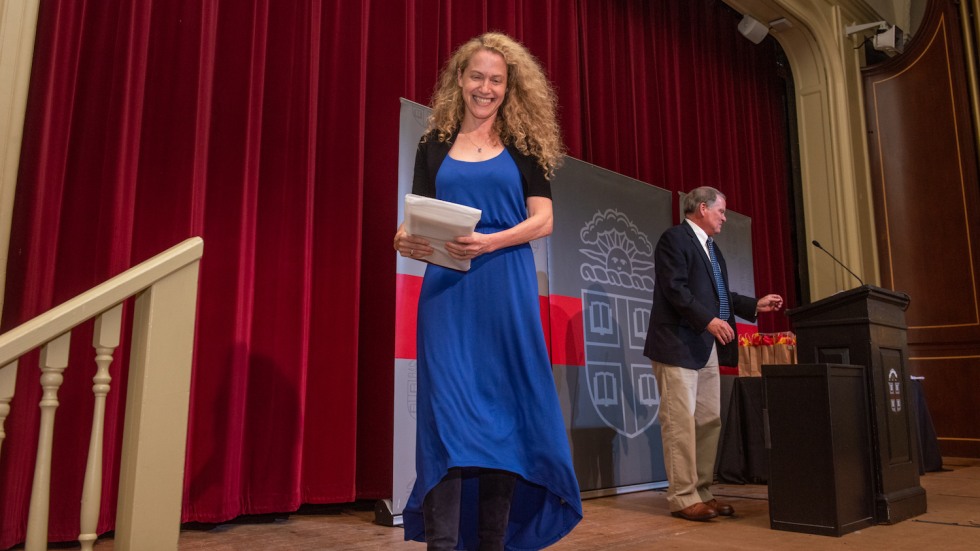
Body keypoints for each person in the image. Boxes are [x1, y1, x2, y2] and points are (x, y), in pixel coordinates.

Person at [392, 32, 582, 550]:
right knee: (447, 421)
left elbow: (542, 221)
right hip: (446, 295)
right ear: (460, 79)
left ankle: (493, 543)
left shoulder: (525, 146)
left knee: (503, 420)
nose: (485, 87)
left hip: (506, 290)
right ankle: (443, 544)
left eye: (496, 80)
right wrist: (406, 240)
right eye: (477, 76)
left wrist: (490, 241)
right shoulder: (433, 143)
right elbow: (414, 222)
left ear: (509, 86)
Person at [643, 186, 783, 522]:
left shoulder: (712, 249)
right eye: (721, 211)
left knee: (708, 420)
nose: (724, 218)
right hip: (677, 344)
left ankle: (703, 491)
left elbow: (718, 294)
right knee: (679, 424)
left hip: (704, 347)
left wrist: (754, 305)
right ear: (702, 208)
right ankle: (682, 496)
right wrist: (708, 320)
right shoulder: (674, 239)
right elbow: (675, 288)